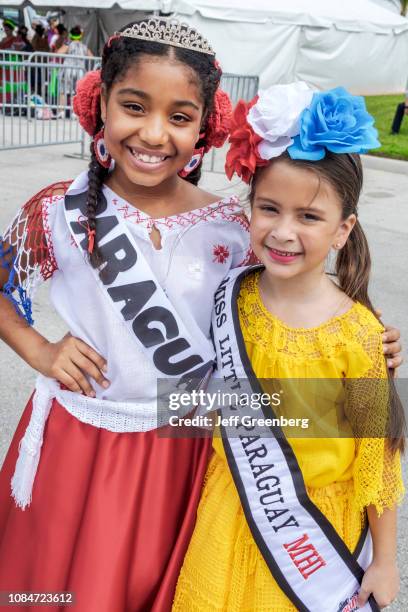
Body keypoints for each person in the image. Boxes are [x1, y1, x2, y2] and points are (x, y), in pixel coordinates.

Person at [0, 17, 251, 611]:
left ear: (206, 127)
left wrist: (364, 346)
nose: (154, 133)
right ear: (100, 104)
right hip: (75, 437)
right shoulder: (58, 211)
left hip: (179, 447)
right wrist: (40, 349)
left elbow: (283, 318)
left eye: (180, 116)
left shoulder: (235, 230)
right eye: (134, 106)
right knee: (53, 585)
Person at [173, 84, 406, 611]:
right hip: (231, 507)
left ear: (343, 229)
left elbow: (379, 458)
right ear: (249, 209)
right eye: (269, 208)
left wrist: (385, 560)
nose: (282, 232)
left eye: (308, 217)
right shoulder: (230, 293)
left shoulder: (360, 336)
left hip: (314, 532)